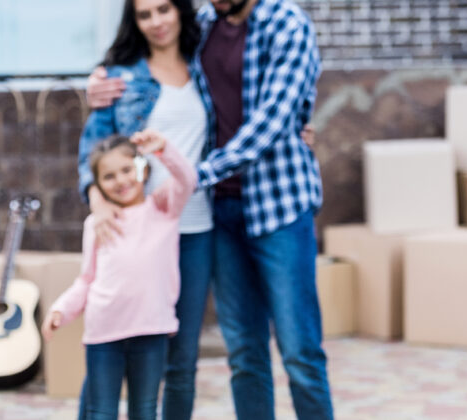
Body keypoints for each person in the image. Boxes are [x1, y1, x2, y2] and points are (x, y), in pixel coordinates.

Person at [87, 0, 334, 419]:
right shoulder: (201, 24)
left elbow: (272, 121)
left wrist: (191, 175)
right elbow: (151, 74)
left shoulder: (287, 23)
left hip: (279, 205)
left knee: (299, 352)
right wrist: (98, 82)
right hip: (221, 211)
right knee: (244, 353)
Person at [72, 1, 214, 418]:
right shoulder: (119, 77)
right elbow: (91, 153)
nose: (157, 22)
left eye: (164, 9)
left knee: (182, 359)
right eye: (145, 14)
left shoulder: (204, 67)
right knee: (111, 349)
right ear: (133, 22)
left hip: (196, 228)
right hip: (137, 230)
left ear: (180, 11)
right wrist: (96, 199)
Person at [43, 132, 196, 420]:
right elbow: (86, 280)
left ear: (142, 168)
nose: (121, 181)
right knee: (101, 411)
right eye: (109, 176)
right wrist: (61, 309)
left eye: (127, 170)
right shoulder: (97, 224)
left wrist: (164, 149)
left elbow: (187, 179)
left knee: (145, 410)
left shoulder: (163, 209)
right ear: (98, 185)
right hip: (104, 335)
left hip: (151, 332)